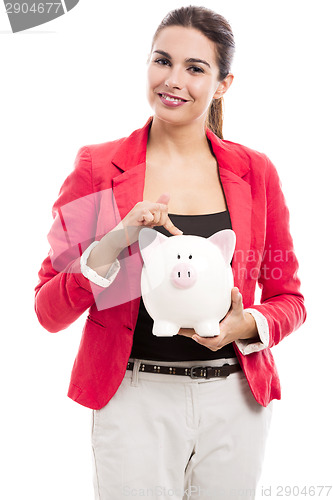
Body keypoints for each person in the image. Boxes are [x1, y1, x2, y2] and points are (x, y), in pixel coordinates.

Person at [34, 5, 306, 500]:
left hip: (236, 402)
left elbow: (290, 298)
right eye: (162, 61)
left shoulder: (255, 173)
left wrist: (248, 325)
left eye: (195, 68)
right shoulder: (98, 168)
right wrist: (112, 241)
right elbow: (48, 309)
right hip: (133, 400)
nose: (172, 79)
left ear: (222, 84)